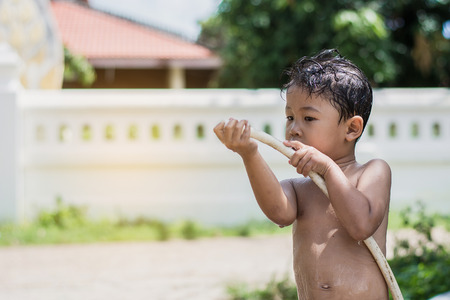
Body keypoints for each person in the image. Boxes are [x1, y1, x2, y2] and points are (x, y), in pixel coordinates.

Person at [213, 49, 391, 299]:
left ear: (351, 128)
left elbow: (361, 225)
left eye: (308, 118)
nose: (294, 129)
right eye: (289, 117)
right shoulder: (299, 188)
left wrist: (328, 168)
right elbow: (279, 213)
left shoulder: (373, 172)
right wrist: (249, 153)